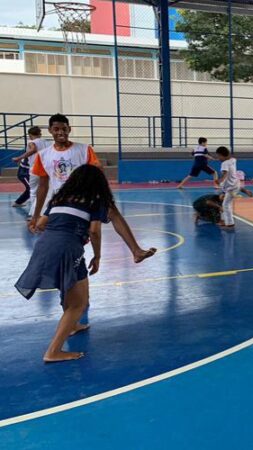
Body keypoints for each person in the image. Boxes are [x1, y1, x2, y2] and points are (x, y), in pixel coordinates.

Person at [16, 165, 114, 363]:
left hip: (44, 246)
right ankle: (53, 351)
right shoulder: (96, 200)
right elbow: (94, 231)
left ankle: (74, 325)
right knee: (78, 303)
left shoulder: (59, 199)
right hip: (68, 248)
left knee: (73, 287)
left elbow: (41, 225)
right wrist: (97, 256)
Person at [30, 113, 156, 264]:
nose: (60, 132)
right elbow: (43, 186)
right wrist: (36, 214)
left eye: (64, 129)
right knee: (45, 226)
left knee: (113, 212)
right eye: (56, 129)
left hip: (86, 196)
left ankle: (136, 251)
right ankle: (61, 259)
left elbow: (98, 173)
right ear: (50, 130)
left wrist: (105, 195)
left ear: (69, 129)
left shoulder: (84, 149)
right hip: (63, 200)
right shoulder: (43, 155)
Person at [12, 126, 51, 217]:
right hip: (46, 169)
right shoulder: (47, 142)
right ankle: (44, 211)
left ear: (30, 135)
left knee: (33, 191)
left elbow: (33, 149)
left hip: (35, 169)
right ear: (40, 134)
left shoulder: (31, 142)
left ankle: (34, 213)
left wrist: (19, 158)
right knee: (46, 190)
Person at [215, 146, 239, 229]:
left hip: (231, 187)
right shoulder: (233, 160)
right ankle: (224, 220)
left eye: (218, 156)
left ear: (222, 155)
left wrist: (220, 180)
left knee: (225, 204)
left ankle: (229, 223)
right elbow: (232, 158)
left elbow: (225, 174)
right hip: (235, 184)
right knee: (227, 203)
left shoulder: (224, 163)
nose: (218, 158)